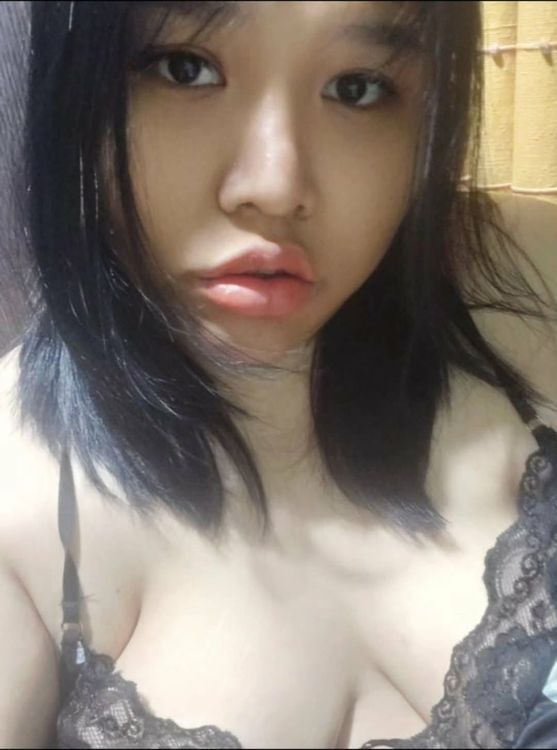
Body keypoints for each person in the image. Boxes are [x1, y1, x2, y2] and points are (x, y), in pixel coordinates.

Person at [1, 0, 557, 747]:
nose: (275, 185)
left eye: (357, 87)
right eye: (185, 69)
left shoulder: (523, 286)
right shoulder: (20, 501)